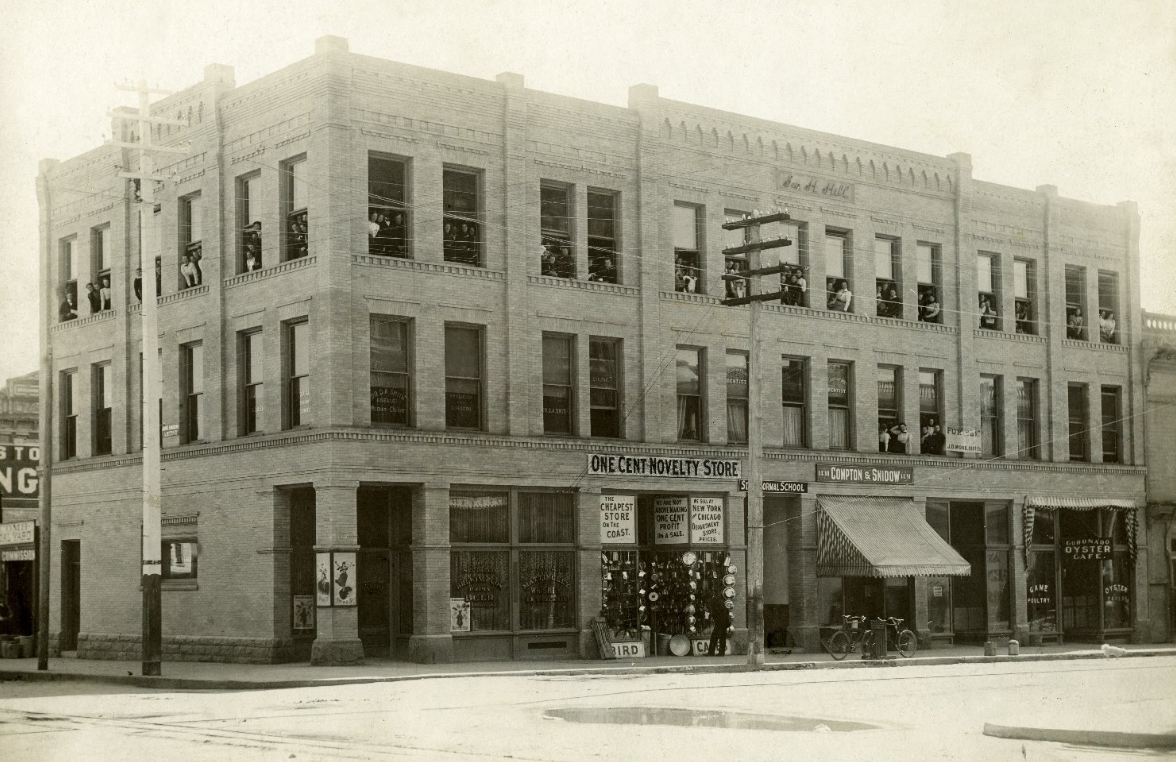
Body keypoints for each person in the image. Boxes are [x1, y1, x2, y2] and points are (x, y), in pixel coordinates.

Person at [707, 590, 731, 657]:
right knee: (722, 637)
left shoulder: (715, 603)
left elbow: (715, 613)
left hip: (719, 623)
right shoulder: (722, 604)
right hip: (724, 623)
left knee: (714, 637)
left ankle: (711, 652)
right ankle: (721, 652)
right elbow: (726, 612)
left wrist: (711, 615)